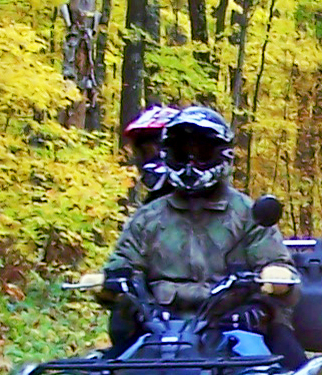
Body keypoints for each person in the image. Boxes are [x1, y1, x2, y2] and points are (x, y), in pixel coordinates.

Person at [102, 106, 288, 313]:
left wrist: (275, 276)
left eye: (202, 154)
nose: (191, 164)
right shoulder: (148, 217)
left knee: (279, 342)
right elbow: (123, 263)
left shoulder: (247, 213)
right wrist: (107, 282)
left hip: (232, 324)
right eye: (181, 154)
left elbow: (275, 263)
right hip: (158, 326)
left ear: (222, 154)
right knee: (118, 341)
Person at [120, 103, 177, 203]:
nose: (147, 161)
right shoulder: (153, 204)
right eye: (143, 152)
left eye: (151, 150)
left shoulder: (199, 201)